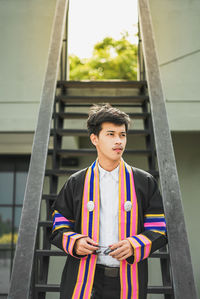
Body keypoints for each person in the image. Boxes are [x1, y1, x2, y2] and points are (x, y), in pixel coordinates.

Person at [50, 103, 167, 299]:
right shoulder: (76, 182)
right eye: (111, 134)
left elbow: (158, 228)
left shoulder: (144, 181)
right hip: (83, 278)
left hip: (127, 279)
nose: (118, 141)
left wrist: (134, 245)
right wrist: (75, 242)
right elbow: (58, 224)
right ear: (94, 139)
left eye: (122, 135)